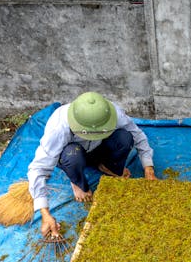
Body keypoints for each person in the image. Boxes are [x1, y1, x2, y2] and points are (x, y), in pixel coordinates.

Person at [28, 92, 157, 236]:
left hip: (98, 148)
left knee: (125, 137)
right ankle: (77, 181)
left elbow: (137, 134)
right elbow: (38, 169)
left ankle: (107, 165)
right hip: (73, 155)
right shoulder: (59, 127)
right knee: (72, 154)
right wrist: (45, 213)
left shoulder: (111, 113)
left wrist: (148, 168)